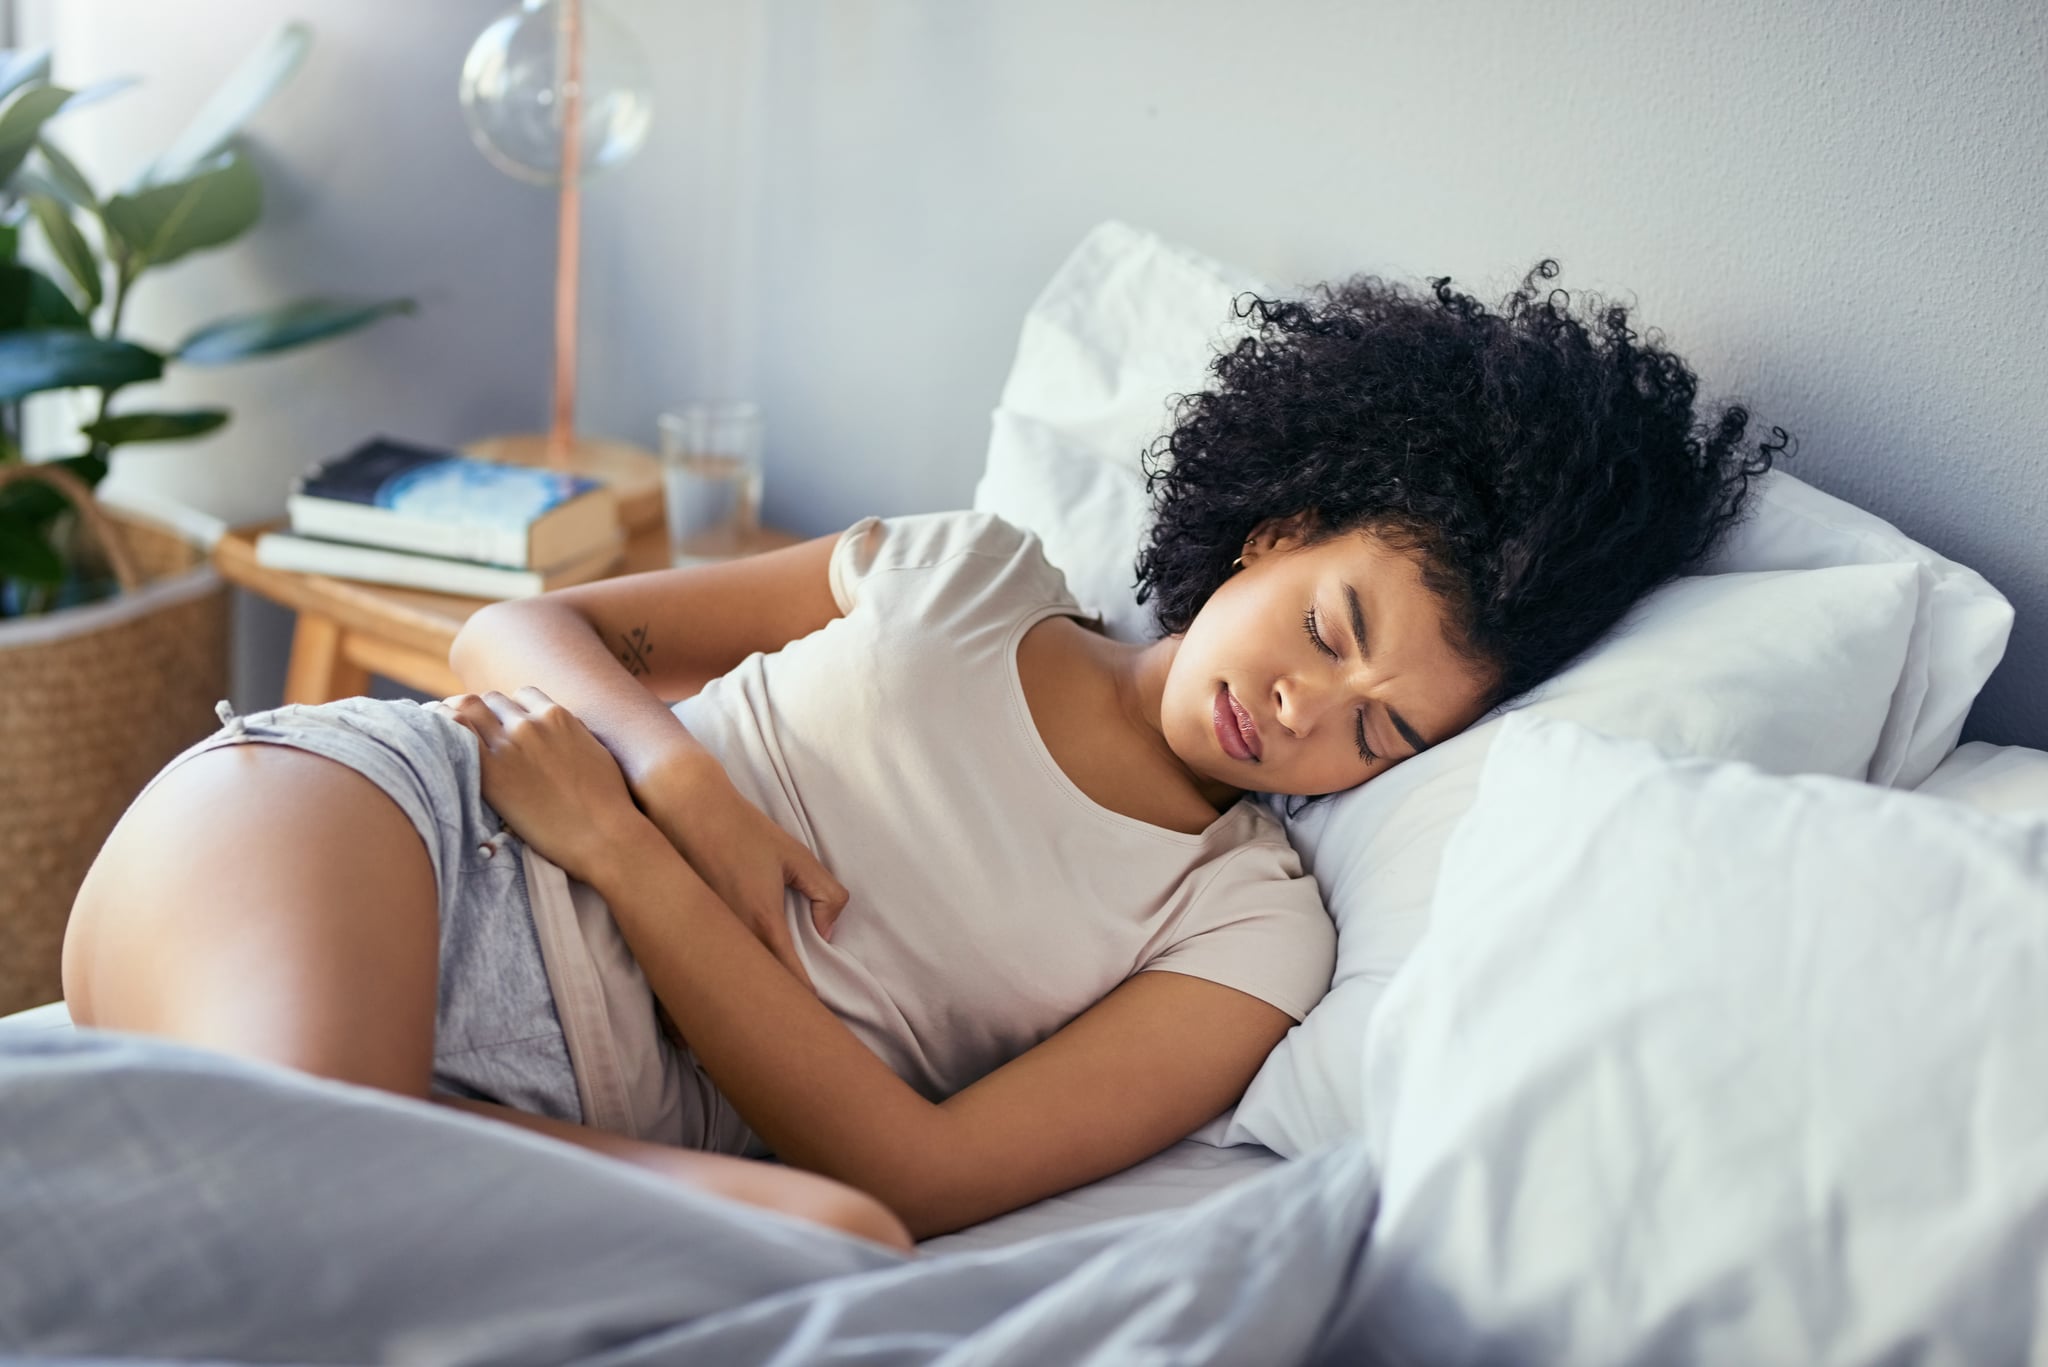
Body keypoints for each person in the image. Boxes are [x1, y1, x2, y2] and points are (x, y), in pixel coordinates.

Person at [59, 259, 1785, 1248]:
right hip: (389, 845)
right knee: (309, 1191)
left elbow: (919, 1173)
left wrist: (640, 866)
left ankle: (353, 1139)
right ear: (1282, 526)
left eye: (1385, 731)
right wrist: (679, 788)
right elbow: (527, 638)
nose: (1310, 718)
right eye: (1333, 633)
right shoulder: (968, 572)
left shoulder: (1253, 932)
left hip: (531, 1062)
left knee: (842, 1240)